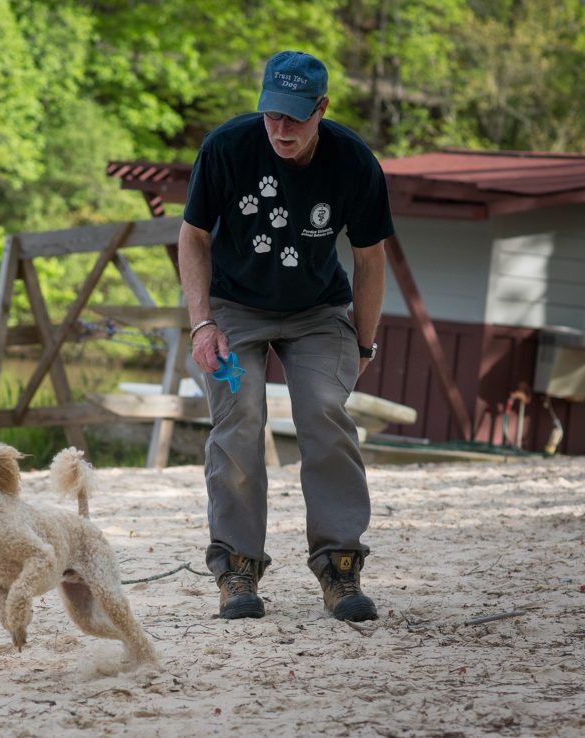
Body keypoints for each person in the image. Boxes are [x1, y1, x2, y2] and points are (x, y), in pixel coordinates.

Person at [179, 50, 392, 622]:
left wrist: (364, 342)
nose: (281, 129)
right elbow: (193, 237)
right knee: (240, 417)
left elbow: (370, 259)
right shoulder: (227, 147)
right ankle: (237, 568)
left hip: (317, 311)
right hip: (233, 307)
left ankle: (339, 567)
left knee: (324, 409)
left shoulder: (353, 161)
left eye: (295, 117)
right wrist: (202, 322)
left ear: (321, 108)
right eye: (272, 114)